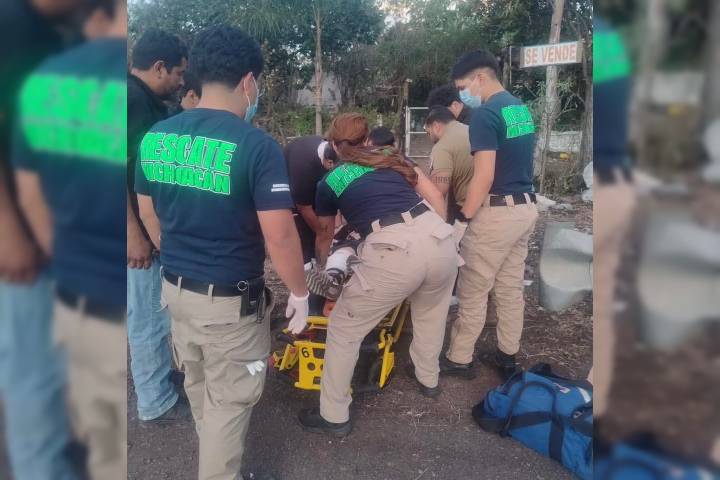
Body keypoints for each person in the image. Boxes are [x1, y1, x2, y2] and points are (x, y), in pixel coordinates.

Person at [134, 25, 309, 480]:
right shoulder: (256, 146)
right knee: (229, 404)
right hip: (229, 306)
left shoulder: (156, 137)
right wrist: (299, 293)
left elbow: (148, 212)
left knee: (200, 389)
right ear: (248, 81)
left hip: (176, 293)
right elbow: (281, 236)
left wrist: (176, 254)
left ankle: (217, 462)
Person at [13, 0, 129, 477]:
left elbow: (29, 192)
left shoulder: (45, 80)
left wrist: (64, 259)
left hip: (75, 295)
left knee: (97, 441)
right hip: (119, 296)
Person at [298, 113, 458, 437]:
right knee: (431, 313)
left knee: (344, 329)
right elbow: (436, 198)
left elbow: (325, 234)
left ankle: (333, 415)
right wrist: (439, 235)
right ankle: (428, 379)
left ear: (333, 144)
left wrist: (324, 267)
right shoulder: (390, 157)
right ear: (367, 139)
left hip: (393, 249)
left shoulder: (330, 181)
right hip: (439, 238)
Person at [0, 0, 86, 478]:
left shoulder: (53, 31)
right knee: (33, 377)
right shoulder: (11, 24)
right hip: (24, 242)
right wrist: (7, 229)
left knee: (51, 367)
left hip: (55, 232)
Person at [440, 49, 539, 381]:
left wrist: (463, 218)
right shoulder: (519, 108)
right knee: (510, 288)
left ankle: (459, 358)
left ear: (480, 78)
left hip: (497, 214)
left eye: (463, 87)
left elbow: (484, 175)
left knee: (474, 288)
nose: (462, 96)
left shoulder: (485, 114)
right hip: (525, 207)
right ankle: (507, 356)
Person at [127, 28, 190, 425]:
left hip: (144, 227)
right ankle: (155, 401)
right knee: (149, 316)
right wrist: (134, 235)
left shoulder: (145, 101)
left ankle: (160, 380)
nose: (181, 81)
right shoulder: (131, 101)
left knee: (154, 311)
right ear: (160, 67)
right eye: (179, 73)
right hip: (136, 232)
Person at [424, 106, 474, 245]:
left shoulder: (442, 147)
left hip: (467, 212)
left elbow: (438, 191)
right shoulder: (472, 130)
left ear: (436, 126)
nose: (429, 137)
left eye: (428, 132)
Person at [284, 135, 338, 264]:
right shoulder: (303, 167)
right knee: (305, 230)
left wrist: (335, 227)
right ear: (329, 162)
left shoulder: (331, 153)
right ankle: (307, 263)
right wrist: (321, 233)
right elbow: (304, 207)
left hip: (312, 185)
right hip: (292, 187)